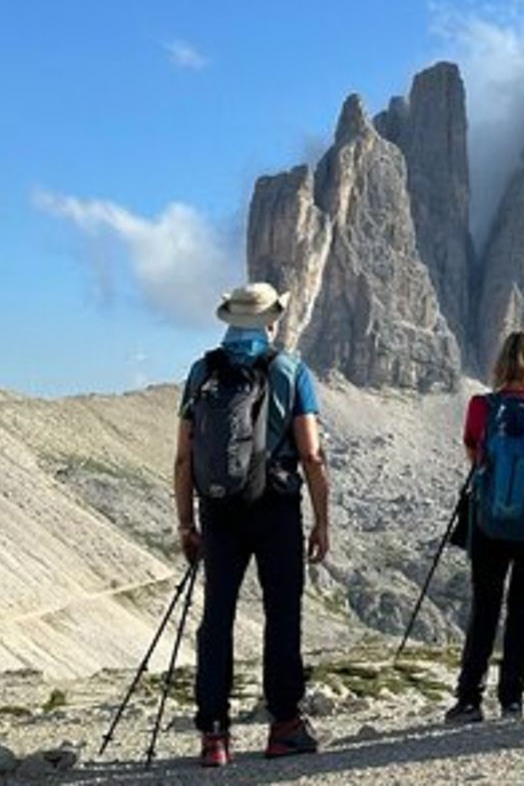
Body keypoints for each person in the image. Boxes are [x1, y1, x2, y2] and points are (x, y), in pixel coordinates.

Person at [175, 283, 330, 767]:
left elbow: (184, 458)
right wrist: (322, 521)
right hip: (276, 506)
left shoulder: (202, 371)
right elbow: (311, 454)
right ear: (271, 321)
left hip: (219, 510)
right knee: (282, 614)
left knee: (216, 617)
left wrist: (186, 524)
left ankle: (214, 736)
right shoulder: (290, 370)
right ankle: (284, 726)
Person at [447, 330, 524, 723]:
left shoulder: (481, 406)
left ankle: (469, 699)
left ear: (502, 361)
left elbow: (474, 453)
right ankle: (512, 701)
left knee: (484, 605)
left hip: (488, 521)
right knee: (522, 606)